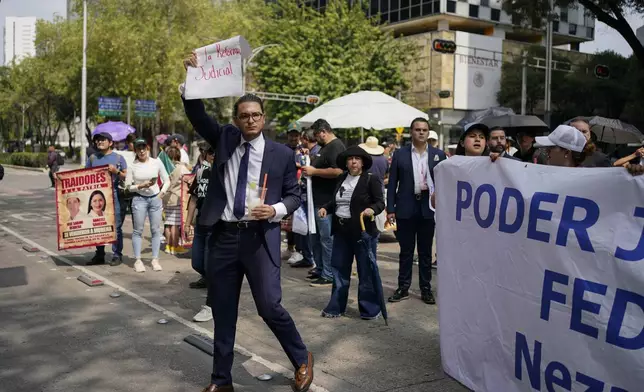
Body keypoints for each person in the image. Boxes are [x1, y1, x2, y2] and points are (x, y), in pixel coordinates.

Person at [182, 53, 313, 392]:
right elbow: (197, 114)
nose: (251, 120)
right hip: (224, 237)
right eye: (244, 116)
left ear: (263, 118)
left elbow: (295, 195)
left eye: (256, 115)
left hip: (260, 239)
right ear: (236, 120)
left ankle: (301, 358)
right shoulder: (224, 138)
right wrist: (192, 78)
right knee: (223, 311)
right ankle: (220, 381)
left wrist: (276, 210)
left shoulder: (282, 154)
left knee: (269, 307)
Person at [318, 146, 385, 320]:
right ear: (346, 163)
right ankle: (336, 307)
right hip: (341, 231)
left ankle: (370, 309)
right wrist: (326, 207)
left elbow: (380, 202)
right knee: (339, 270)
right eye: (350, 159)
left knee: (366, 271)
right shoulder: (341, 178)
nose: (353, 162)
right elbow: (336, 201)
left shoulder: (371, 179)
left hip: (363, 233)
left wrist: (372, 209)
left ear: (363, 162)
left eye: (357, 159)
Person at [386, 118, 446, 305]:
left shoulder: (438, 155)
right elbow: (392, 183)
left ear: (429, 132)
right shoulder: (400, 154)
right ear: (411, 132)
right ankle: (403, 287)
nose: (421, 133)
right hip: (406, 206)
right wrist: (390, 208)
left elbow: (445, 183)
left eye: (425, 130)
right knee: (406, 251)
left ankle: (425, 289)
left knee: (426, 251)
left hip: (428, 207)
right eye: (418, 129)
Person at [301, 119, 346, 287]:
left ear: (323, 132)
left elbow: (338, 171)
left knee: (327, 239)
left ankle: (329, 273)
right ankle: (320, 268)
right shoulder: (326, 147)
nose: (315, 138)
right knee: (316, 237)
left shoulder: (335, 146)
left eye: (316, 135)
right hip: (318, 199)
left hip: (327, 202)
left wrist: (315, 171)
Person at [85, 132, 127, 266]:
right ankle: (100, 254)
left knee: (117, 226)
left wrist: (116, 172)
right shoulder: (92, 158)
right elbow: (84, 175)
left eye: (103, 140)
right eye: (97, 140)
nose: (99, 142)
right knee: (98, 225)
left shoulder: (119, 158)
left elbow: (125, 176)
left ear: (110, 143)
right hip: (97, 195)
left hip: (113, 194)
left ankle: (117, 255)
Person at [128, 138, 170, 273]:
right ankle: (138, 260)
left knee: (155, 229)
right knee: (138, 230)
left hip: (155, 198)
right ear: (135, 150)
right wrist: (140, 185)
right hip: (139, 199)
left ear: (148, 148)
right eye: (138, 148)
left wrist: (162, 193)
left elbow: (167, 179)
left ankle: (155, 259)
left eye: (143, 148)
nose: (141, 151)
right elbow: (128, 187)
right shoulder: (132, 166)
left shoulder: (156, 162)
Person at [187, 145, 215, 323]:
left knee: (209, 262)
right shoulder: (201, 172)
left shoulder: (225, 173)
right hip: (201, 223)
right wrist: (187, 221)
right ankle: (206, 278)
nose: (212, 156)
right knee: (197, 261)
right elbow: (193, 198)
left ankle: (212, 302)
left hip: (216, 225)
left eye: (215, 153)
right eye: (210, 153)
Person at [161, 146, 191, 255]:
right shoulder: (181, 168)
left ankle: (168, 246)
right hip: (177, 198)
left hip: (166, 198)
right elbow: (190, 179)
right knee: (175, 224)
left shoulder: (165, 167)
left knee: (168, 224)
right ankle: (175, 246)